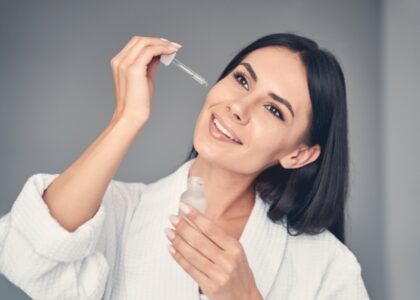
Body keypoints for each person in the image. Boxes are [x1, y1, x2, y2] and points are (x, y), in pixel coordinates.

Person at [0, 33, 370, 299]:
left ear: (299, 154)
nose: (238, 107)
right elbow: (25, 252)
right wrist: (126, 118)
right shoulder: (121, 213)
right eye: (241, 80)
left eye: (273, 110)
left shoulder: (327, 265)